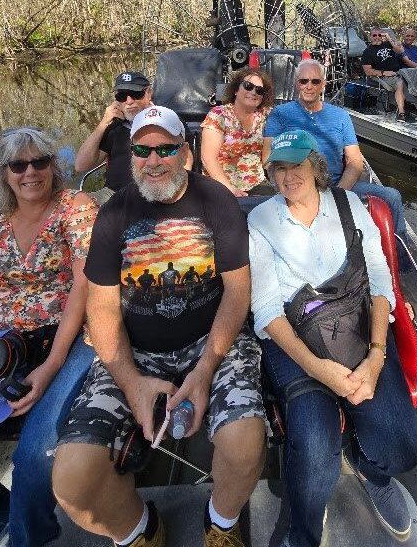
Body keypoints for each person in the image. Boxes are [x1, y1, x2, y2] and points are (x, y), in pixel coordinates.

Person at [52, 105, 267, 547]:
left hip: (212, 342)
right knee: (72, 479)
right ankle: (139, 531)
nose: (154, 160)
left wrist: (205, 370)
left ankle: (221, 524)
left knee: (246, 440)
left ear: (185, 154)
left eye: (165, 148)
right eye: (143, 150)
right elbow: (104, 309)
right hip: (136, 351)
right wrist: (131, 383)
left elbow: (237, 293)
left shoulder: (216, 201)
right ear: (130, 155)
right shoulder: (113, 215)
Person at [249, 131, 417, 547]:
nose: (289, 176)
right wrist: (318, 369)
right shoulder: (261, 220)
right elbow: (268, 308)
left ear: (316, 166)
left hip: (358, 327)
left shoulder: (350, 205)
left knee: (402, 450)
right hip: (296, 340)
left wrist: (377, 356)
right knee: (313, 453)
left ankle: (369, 469)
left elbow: (380, 279)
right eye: (280, 167)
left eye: (297, 165)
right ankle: (302, 532)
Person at [0, 127, 97, 547]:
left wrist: (53, 364)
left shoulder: (76, 208)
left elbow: (83, 287)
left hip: (68, 340)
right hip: (2, 344)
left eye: (40, 162)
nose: (30, 172)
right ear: (5, 173)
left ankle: (29, 537)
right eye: (19, 165)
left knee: (34, 457)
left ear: (53, 166)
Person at [263, 59, 411, 268]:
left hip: (336, 183)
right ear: (296, 83)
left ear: (323, 84)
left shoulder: (340, 116)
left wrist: (338, 193)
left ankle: (399, 265)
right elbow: (268, 158)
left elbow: (355, 162)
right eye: (304, 81)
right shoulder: (280, 114)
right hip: (298, 184)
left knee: (392, 197)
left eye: (315, 81)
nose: (309, 86)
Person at [75, 71, 193, 204]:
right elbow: (81, 165)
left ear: (148, 93)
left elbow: (186, 159)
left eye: (136, 94)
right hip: (113, 195)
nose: (129, 101)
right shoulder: (114, 127)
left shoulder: (168, 121)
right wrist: (103, 124)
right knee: (75, 204)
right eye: (122, 96)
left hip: (156, 191)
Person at [201, 67, 275, 197]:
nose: (253, 92)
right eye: (248, 86)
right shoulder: (219, 115)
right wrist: (231, 189)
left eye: (259, 90)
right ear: (236, 90)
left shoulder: (265, 116)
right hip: (220, 183)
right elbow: (208, 158)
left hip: (257, 184)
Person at [360, 28, 417, 123]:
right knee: (401, 83)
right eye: (374, 35)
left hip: (397, 71)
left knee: (412, 81)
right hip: (381, 75)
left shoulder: (387, 44)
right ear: (370, 37)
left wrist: (389, 39)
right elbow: (368, 72)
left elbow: (400, 51)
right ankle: (402, 113)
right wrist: (384, 73)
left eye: (379, 35)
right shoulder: (367, 52)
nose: (377, 37)